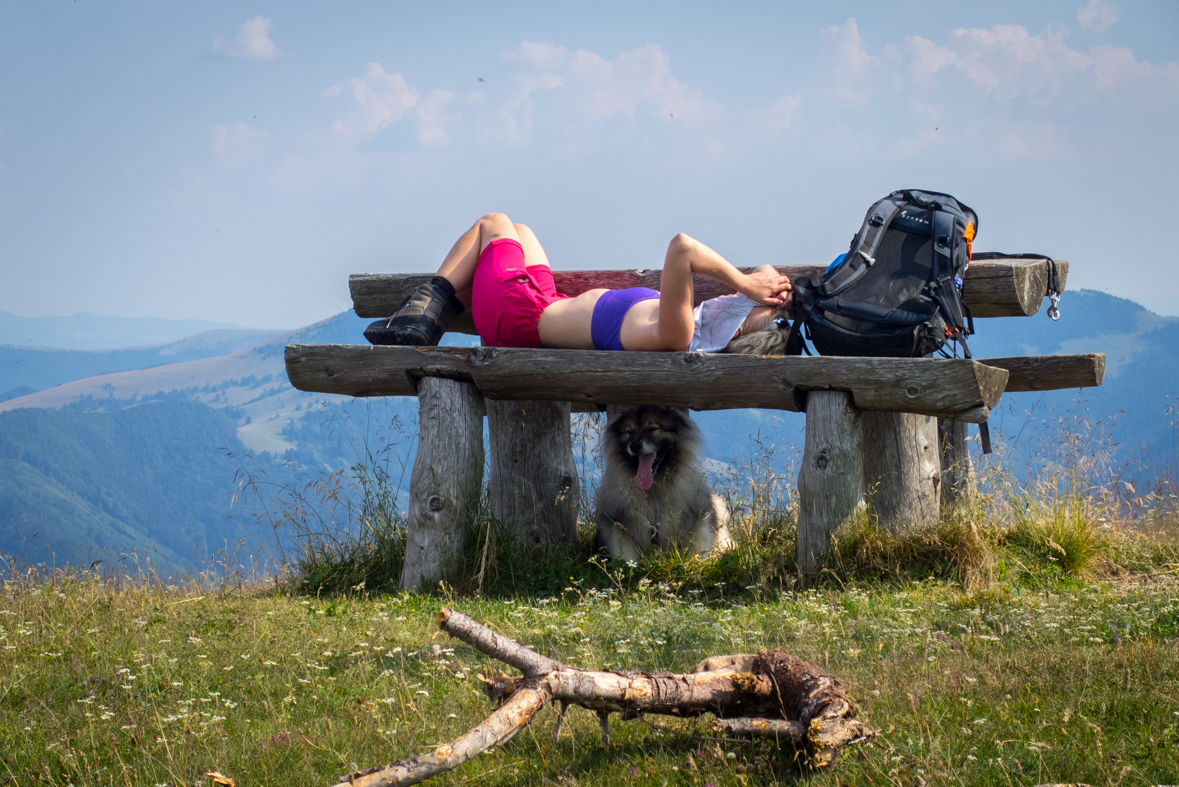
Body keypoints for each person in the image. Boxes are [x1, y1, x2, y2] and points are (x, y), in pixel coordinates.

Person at [364, 212, 792, 351]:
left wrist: (748, 285)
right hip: (534, 309)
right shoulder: (694, 327)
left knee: (492, 223)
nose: (733, 298)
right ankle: (425, 315)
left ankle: (425, 312)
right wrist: (764, 289)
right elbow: (753, 302)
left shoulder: (675, 332)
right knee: (522, 229)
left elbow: (683, 248)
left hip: (519, 316)